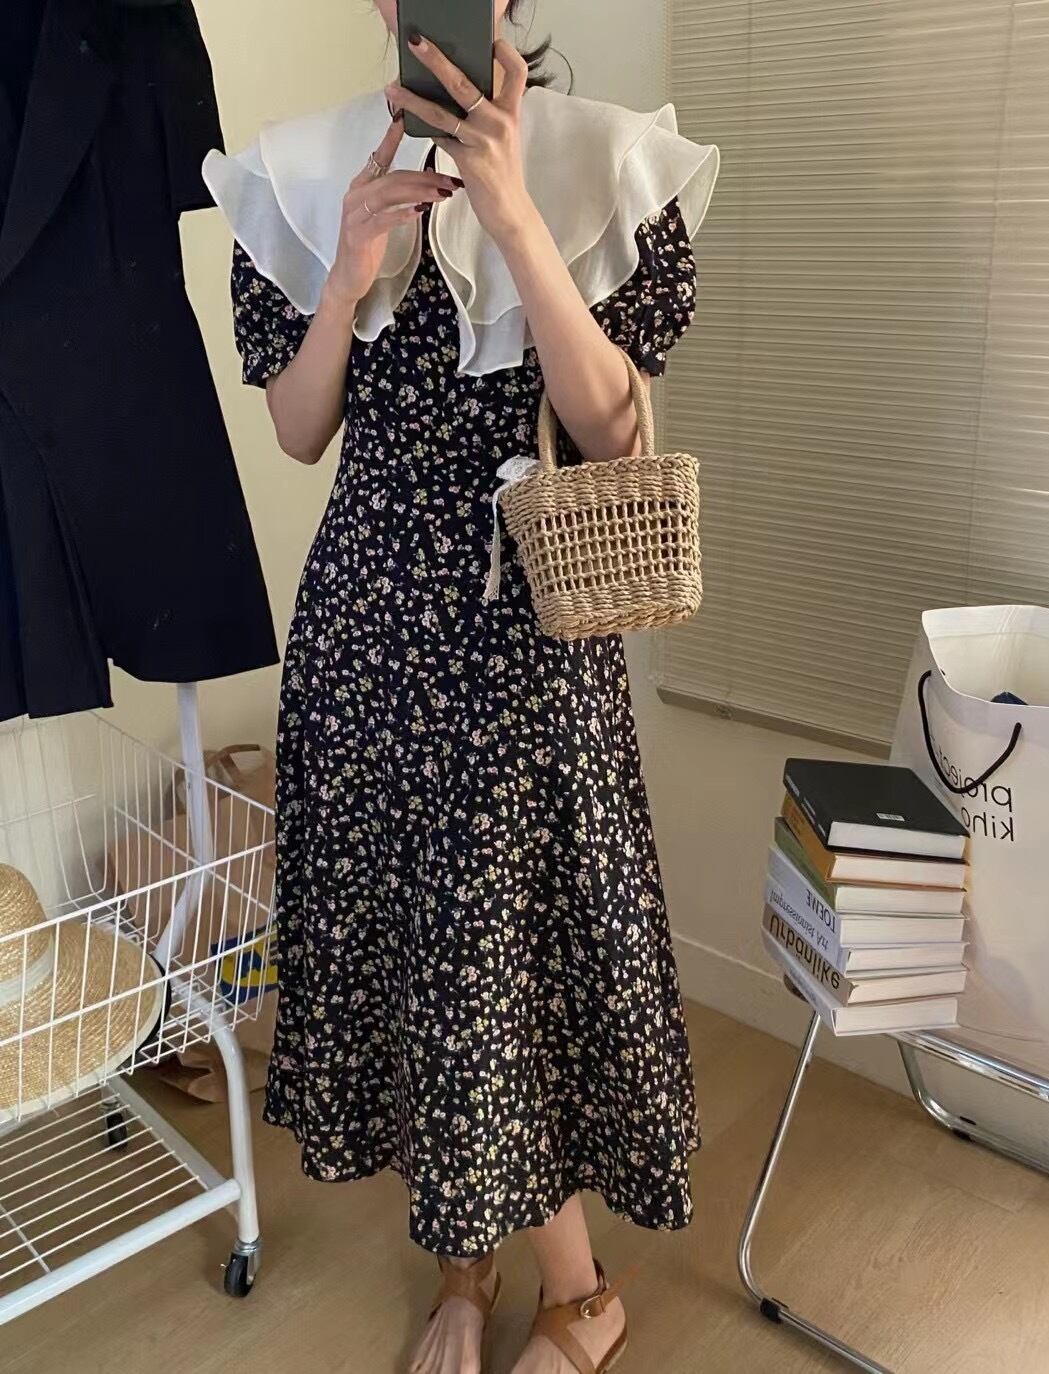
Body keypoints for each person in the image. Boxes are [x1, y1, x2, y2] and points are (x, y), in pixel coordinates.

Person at [204, 4, 718, 1371]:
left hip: (525, 633)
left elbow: (612, 429)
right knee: (415, 955)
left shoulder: (607, 160)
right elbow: (300, 430)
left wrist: (516, 217)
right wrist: (345, 272)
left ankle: (583, 1293)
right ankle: (465, 1260)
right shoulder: (305, 171)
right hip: (365, 631)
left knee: (505, 958)